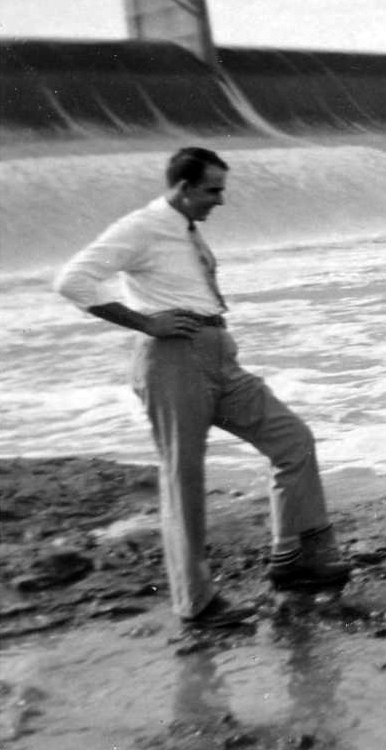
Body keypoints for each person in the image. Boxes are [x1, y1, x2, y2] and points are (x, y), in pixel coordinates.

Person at [55, 147, 351, 629]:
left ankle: (293, 558)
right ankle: (195, 602)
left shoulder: (186, 230)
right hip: (173, 359)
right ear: (183, 187)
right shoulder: (141, 227)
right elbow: (72, 281)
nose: (220, 200)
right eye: (213, 190)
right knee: (184, 478)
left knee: (292, 441)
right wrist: (144, 323)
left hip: (217, 354)